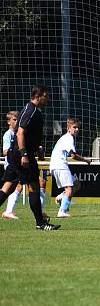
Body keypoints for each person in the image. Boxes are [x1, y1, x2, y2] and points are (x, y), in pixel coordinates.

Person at [0, 85, 60, 230]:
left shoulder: (34, 111)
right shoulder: (30, 110)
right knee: (35, 187)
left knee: (7, 188)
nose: (48, 98)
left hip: (21, 154)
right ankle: (40, 223)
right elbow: (20, 133)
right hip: (21, 155)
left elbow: (30, 134)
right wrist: (24, 154)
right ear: (38, 95)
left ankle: (40, 223)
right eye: (46, 96)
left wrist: (37, 148)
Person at [50, 118, 92, 218]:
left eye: (78, 128)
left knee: (77, 184)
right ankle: (62, 211)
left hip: (56, 165)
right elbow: (73, 156)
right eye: (74, 127)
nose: (77, 129)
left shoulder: (65, 138)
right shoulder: (69, 138)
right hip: (60, 165)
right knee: (69, 189)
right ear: (68, 128)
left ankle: (61, 197)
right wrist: (86, 160)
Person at [2, 111, 24, 220]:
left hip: (16, 165)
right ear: (9, 122)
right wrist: (15, 150)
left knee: (11, 189)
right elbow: (4, 151)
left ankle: (9, 211)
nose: (17, 121)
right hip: (11, 165)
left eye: (18, 119)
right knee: (12, 188)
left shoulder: (17, 133)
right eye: (14, 120)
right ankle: (8, 211)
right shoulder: (8, 134)